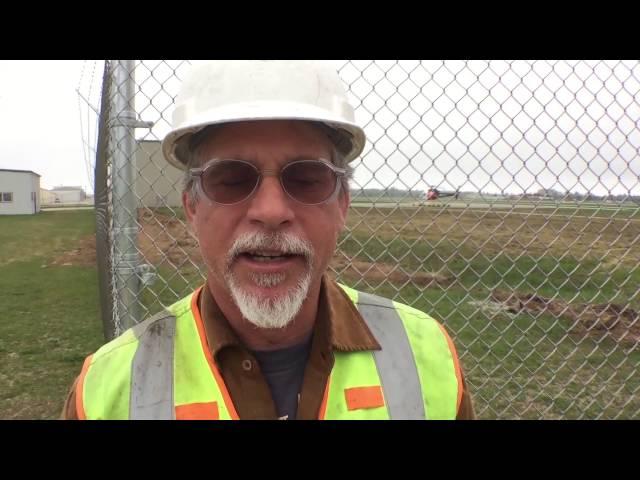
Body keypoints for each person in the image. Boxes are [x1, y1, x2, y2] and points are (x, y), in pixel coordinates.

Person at [62, 60, 475, 420]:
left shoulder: (428, 357)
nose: (272, 210)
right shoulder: (106, 391)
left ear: (343, 204)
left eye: (306, 178)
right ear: (191, 206)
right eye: (232, 179)